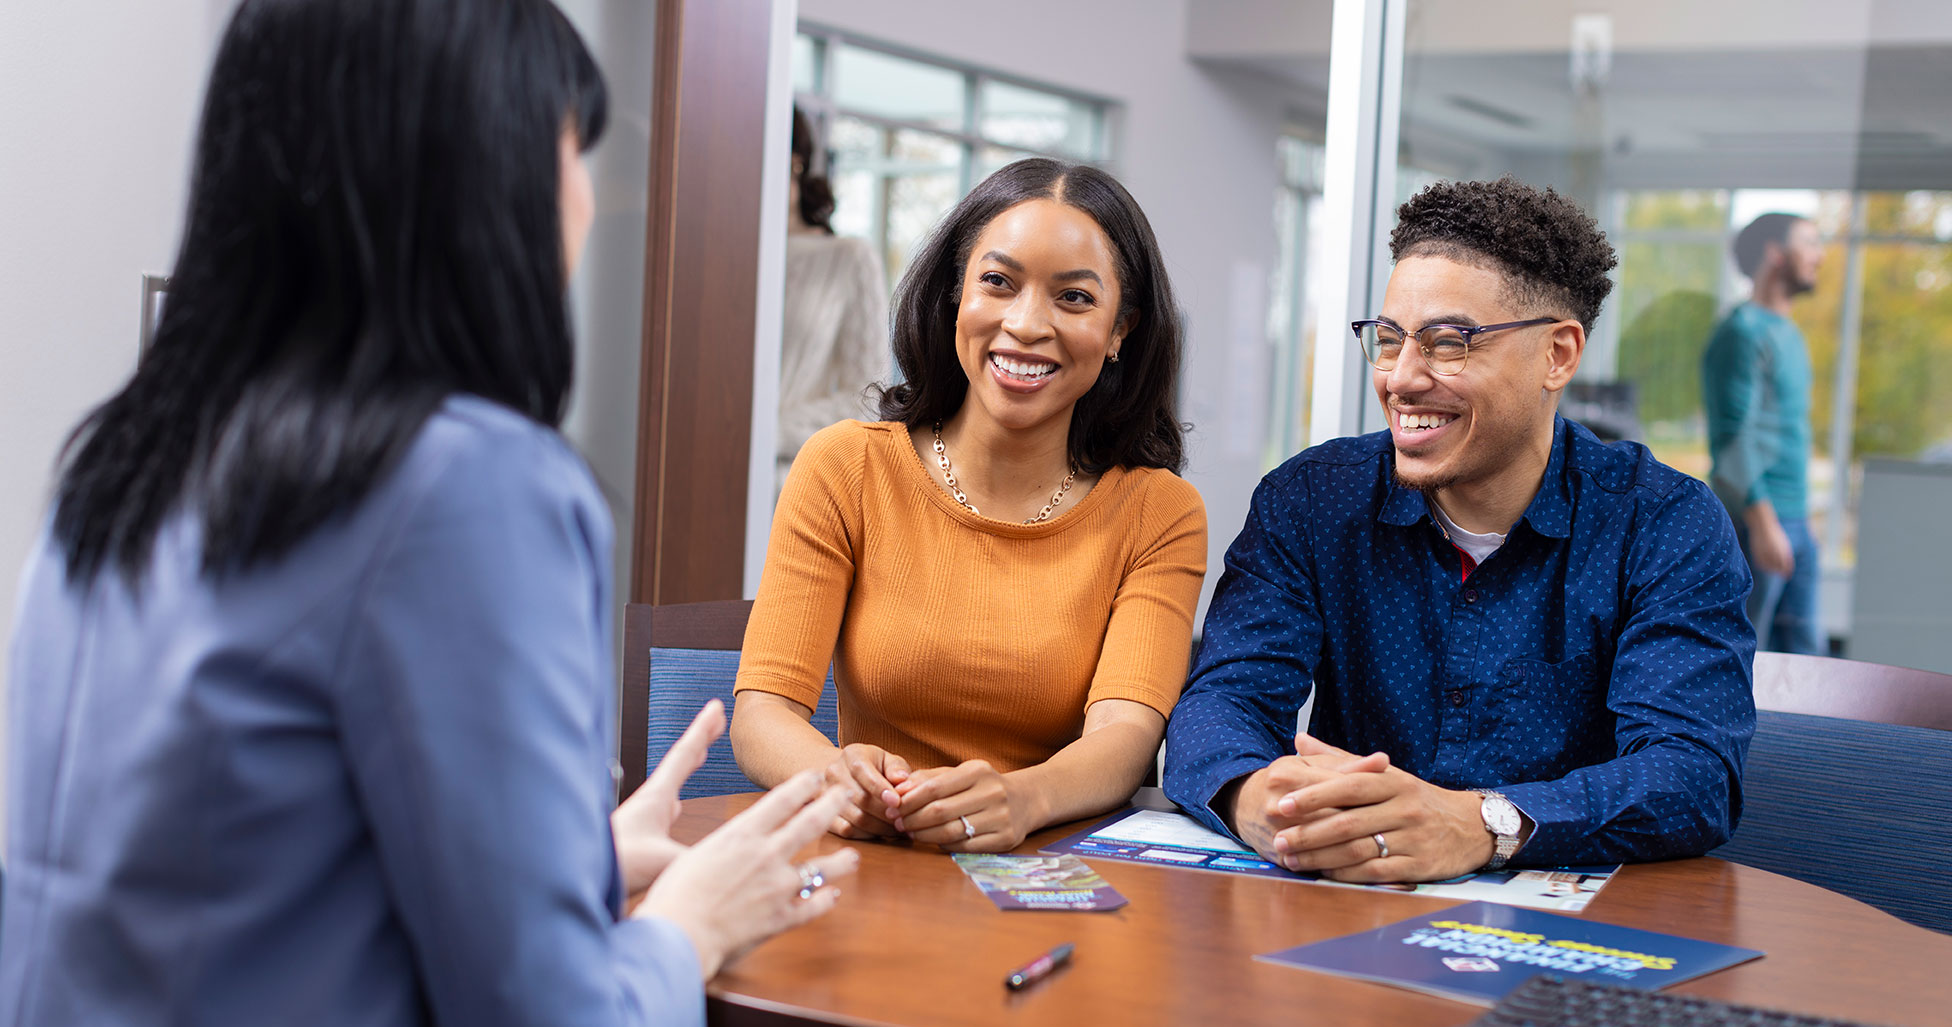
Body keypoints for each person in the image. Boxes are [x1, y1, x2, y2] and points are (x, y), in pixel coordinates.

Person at [0, 3, 856, 1027]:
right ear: (486, 181)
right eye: (571, 150)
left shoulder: (122, 461)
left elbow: (232, 883)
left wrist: (582, 863)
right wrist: (691, 927)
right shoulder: (467, 484)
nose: (586, 200)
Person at [1163, 177, 1756, 882]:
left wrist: (1479, 823)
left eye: (1448, 343)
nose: (1401, 378)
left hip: (1568, 926)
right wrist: (1258, 799)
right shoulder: (1312, 500)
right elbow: (1222, 701)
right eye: (1388, 340)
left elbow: (1692, 774)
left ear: (1558, 355)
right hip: (1346, 895)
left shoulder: (1663, 523)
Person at [731, 158, 1207, 854]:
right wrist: (834, 779)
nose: (1027, 323)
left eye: (1074, 298)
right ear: (956, 293)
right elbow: (762, 713)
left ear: (1119, 331)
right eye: (998, 282)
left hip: (1045, 866)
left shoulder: (1159, 512)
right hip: (872, 855)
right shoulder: (844, 467)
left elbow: (1125, 736)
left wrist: (1023, 799)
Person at [1702, 212, 1827, 655]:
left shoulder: (1789, 332)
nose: (1819, 255)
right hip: (1755, 521)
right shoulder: (1741, 333)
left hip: (1795, 518)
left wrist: (1799, 519)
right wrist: (1764, 523)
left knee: (1806, 657)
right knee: (1741, 658)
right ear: (1775, 253)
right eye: (1809, 243)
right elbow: (1732, 438)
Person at [778, 106, 887, 489]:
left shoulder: (848, 257)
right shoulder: (717, 256)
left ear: (795, 161)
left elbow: (868, 399)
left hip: (789, 482)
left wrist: (767, 430)